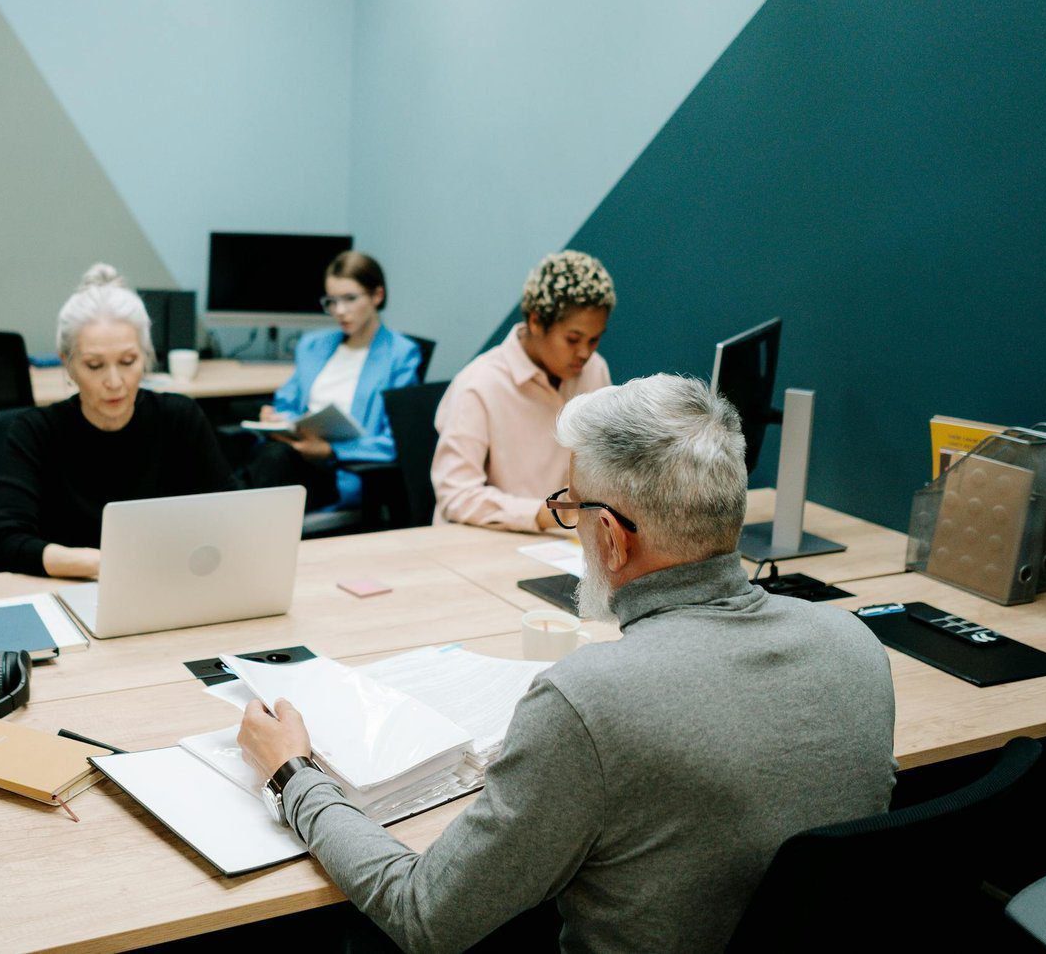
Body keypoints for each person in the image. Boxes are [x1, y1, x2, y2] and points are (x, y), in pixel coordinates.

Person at [238, 375, 897, 953]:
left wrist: (295, 775)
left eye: (572, 507)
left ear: (609, 536)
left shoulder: (589, 701)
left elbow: (423, 915)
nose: (571, 522)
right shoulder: (855, 644)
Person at [0, 264, 232, 578]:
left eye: (128, 362)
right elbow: (5, 541)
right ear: (68, 363)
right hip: (64, 589)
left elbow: (228, 514)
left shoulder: (180, 418)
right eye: (94, 365)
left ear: (145, 355)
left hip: (166, 582)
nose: (114, 381)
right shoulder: (34, 431)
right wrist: (104, 565)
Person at [432, 249, 615, 532]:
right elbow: (456, 496)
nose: (584, 353)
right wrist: (545, 514)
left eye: (594, 340)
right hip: (486, 541)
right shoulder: (479, 384)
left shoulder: (595, 370)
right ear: (535, 321)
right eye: (573, 339)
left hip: (564, 542)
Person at [240, 251, 421, 511]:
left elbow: (394, 440)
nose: (339, 311)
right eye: (332, 301)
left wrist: (329, 450)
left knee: (270, 462)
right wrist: (278, 418)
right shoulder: (315, 345)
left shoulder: (400, 355)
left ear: (377, 296)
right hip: (294, 454)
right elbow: (287, 401)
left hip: (339, 470)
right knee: (245, 449)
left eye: (350, 299)